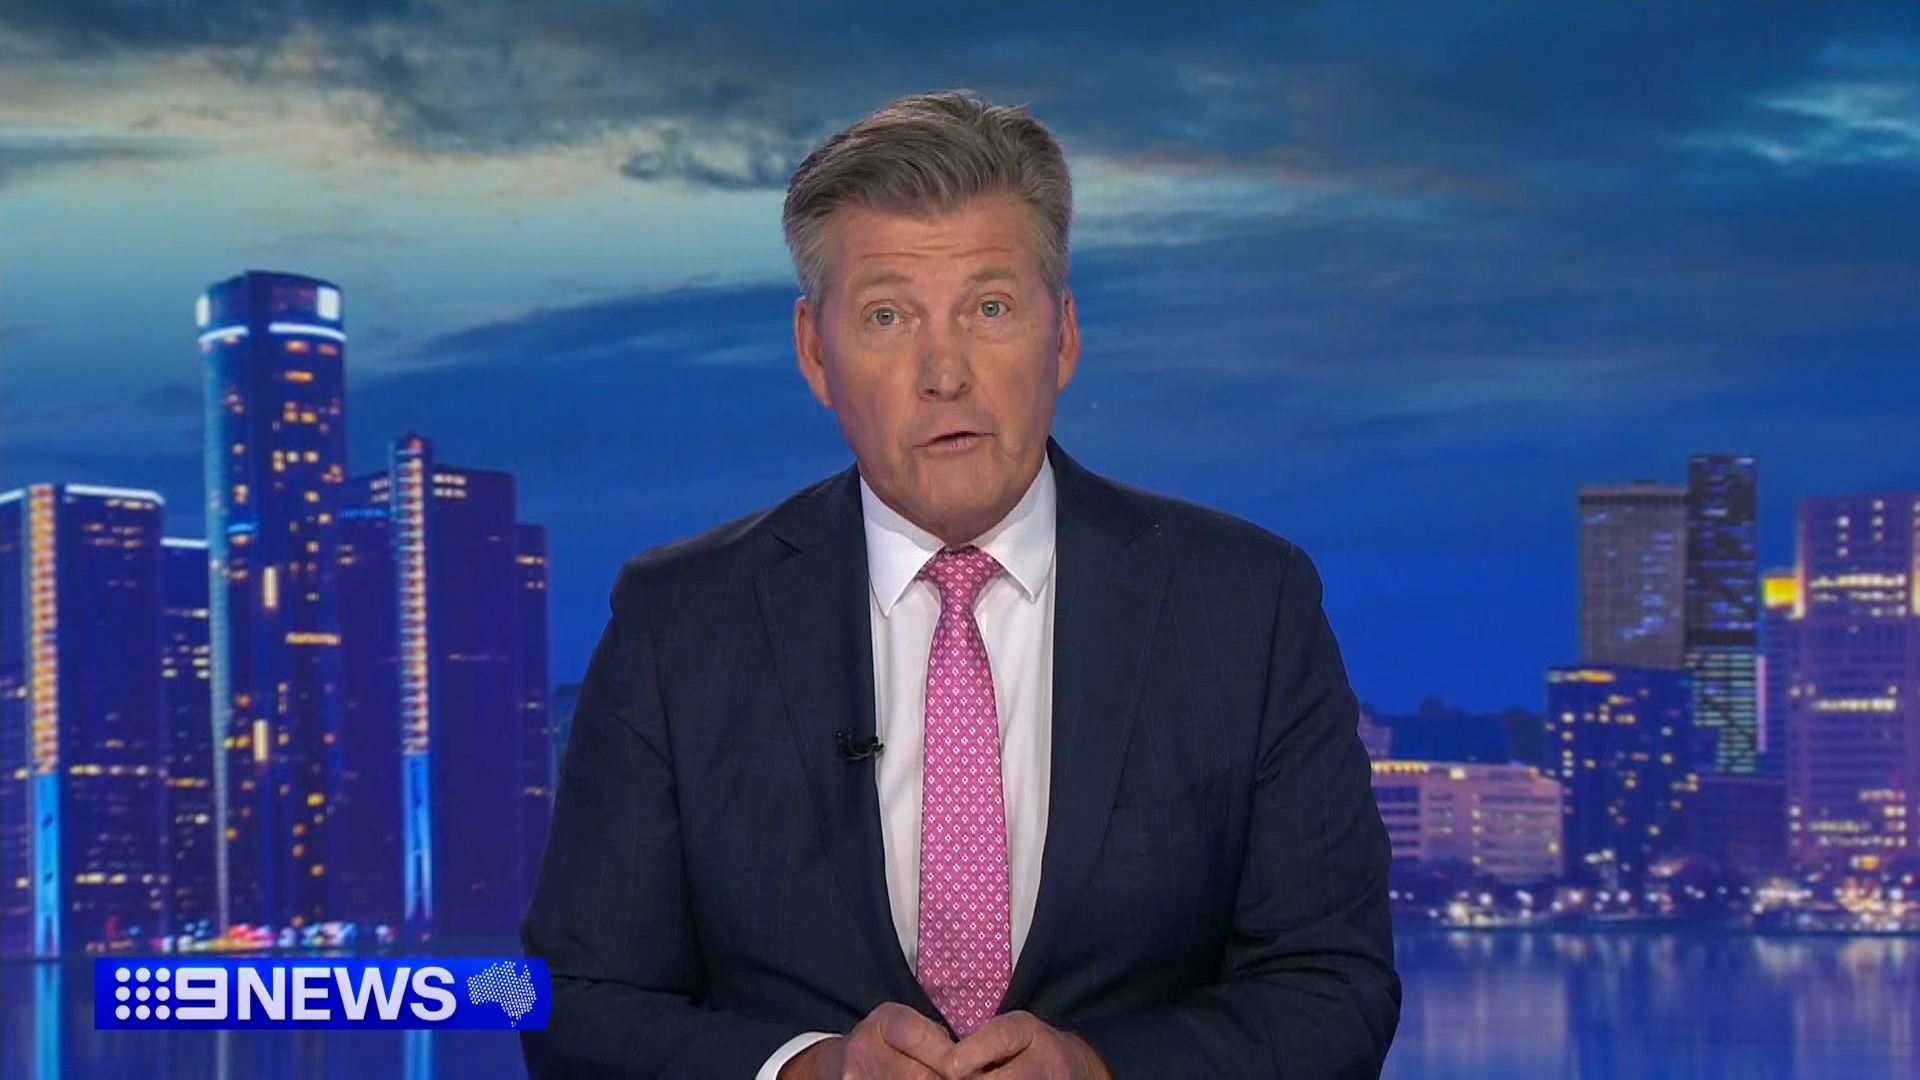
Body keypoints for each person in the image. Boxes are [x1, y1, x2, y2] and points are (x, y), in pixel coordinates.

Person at [521, 88, 1401, 1079]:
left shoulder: (1247, 607)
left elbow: (1336, 990)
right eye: (887, 316)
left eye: (990, 307)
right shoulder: (677, 623)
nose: (945, 371)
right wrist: (808, 1072)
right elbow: (568, 1003)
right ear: (815, 353)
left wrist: (1098, 1071)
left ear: (1062, 336)